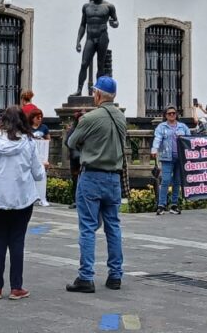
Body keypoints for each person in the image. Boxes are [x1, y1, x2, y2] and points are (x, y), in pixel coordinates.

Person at [0, 106, 46, 300]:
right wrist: (41, 166)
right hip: (22, 199)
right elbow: (38, 173)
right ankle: (16, 287)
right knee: (17, 242)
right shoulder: (29, 142)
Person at [65, 75, 125, 293]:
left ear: (98, 94)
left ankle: (86, 276)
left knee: (88, 227)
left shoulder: (90, 118)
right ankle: (115, 275)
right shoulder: (121, 117)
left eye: (94, 92)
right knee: (113, 226)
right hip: (114, 177)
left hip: (92, 176)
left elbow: (71, 142)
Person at [150, 105, 189, 215]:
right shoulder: (161, 127)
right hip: (166, 157)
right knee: (165, 180)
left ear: (176, 114)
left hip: (180, 157)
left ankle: (174, 205)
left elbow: (189, 139)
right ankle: (161, 205)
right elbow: (157, 138)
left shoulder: (182, 127)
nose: (172, 115)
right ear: (165, 115)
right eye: (169, 113)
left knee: (177, 181)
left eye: (173, 113)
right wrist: (154, 149)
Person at [65, 110, 85, 210]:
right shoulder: (73, 129)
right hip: (75, 158)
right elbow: (67, 142)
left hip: (85, 158)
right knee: (76, 179)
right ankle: (75, 199)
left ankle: (82, 199)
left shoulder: (87, 129)